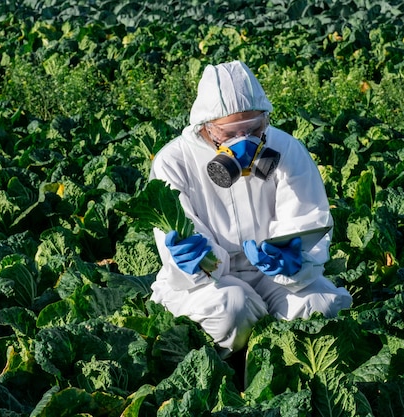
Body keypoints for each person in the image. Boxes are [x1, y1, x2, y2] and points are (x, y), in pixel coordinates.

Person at [149, 60, 352, 358]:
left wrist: (294, 261)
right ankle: (229, 370)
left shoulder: (286, 149)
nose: (244, 143)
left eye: (254, 129)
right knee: (233, 308)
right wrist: (196, 258)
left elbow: (308, 219)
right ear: (204, 128)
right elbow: (179, 235)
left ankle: (280, 368)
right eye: (229, 134)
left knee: (322, 306)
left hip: (271, 275)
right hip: (212, 281)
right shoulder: (173, 162)